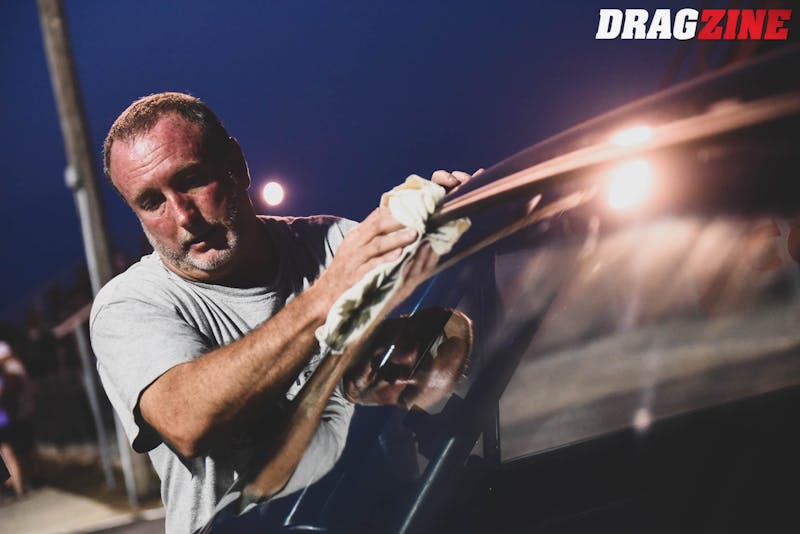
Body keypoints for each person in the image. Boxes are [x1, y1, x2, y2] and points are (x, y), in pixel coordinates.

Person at [90, 92, 470, 532]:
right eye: (151, 202)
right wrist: (329, 296)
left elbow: (442, 360)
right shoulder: (130, 305)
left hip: (395, 520)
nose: (183, 215)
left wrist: (463, 222)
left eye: (191, 180)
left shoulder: (335, 244)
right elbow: (186, 421)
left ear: (237, 165)